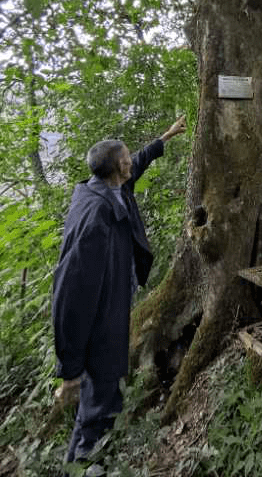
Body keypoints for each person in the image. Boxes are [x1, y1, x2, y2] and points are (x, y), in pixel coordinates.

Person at [52, 116, 186, 472]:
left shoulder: (107, 187)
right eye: (126, 157)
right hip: (100, 323)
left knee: (103, 395)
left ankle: (88, 457)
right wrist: (69, 371)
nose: (131, 160)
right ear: (117, 167)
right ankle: (85, 463)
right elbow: (70, 297)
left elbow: (139, 161)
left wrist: (165, 138)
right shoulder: (95, 218)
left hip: (114, 304)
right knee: (101, 400)